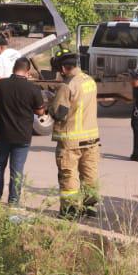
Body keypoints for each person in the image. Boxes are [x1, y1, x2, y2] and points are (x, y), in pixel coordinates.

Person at [0, 57, 46, 205]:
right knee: (17, 169)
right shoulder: (33, 89)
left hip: (3, 133)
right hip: (22, 135)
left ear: (13, 68)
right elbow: (40, 112)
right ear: (27, 72)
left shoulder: (1, 85)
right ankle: (13, 201)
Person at [50, 51, 100, 218]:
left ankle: (70, 210)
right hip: (91, 138)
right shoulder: (89, 81)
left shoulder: (67, 85)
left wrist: (51, 101)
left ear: (64, 68)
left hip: (71, 139)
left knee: (68, 174)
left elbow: (59, 112)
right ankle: (90, 207)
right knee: (89, 173)